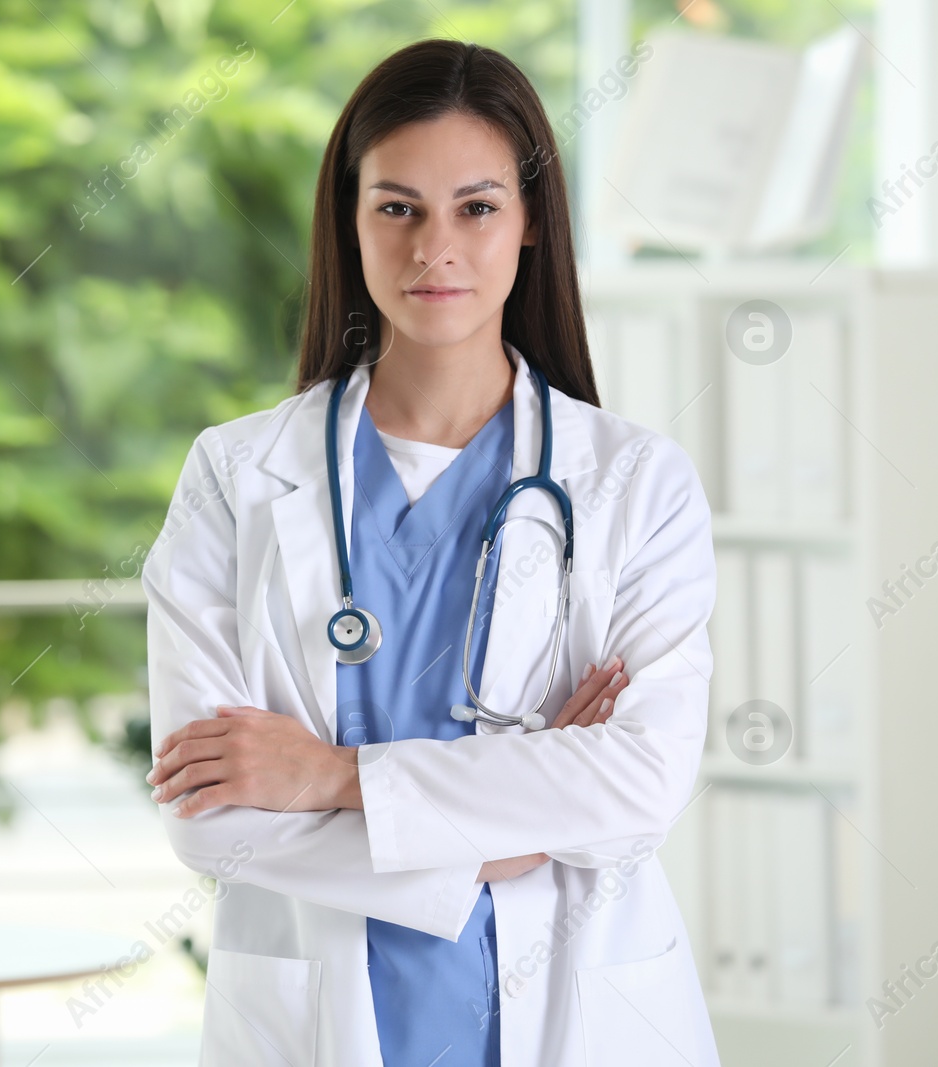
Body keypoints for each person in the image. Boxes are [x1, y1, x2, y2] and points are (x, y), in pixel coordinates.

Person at [140, 38, 721, 1067]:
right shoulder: (237, 474)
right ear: (349, 221)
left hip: (579, 1006)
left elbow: (637, 780)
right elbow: (207, 817)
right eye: (397, 206)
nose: (434, 248)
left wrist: (326, 775)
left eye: (478, 206)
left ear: (531, 221)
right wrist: (509, 837)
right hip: (311, 1008)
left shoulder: (635, 482)